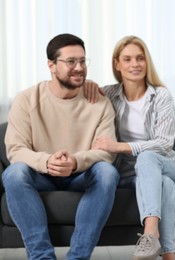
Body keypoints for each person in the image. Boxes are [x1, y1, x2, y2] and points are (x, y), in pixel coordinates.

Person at [2, 33, 120, 259]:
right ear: (51, 65)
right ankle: (42, 256)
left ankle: (78, 257)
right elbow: (15, 149)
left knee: (107, 172)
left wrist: (75, 161)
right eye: (71, 62)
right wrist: (46, 162)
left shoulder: (99, 101)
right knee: (14, 174)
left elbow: (105, 152)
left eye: (83, 61)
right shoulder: (26, 99)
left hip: (80, 175)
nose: (79, 68)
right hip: (41, 175)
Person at [87, 35, 175, 260]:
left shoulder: (161, 95)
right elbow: (78, 96)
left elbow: (164, 144)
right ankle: (168, 255)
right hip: (129, 172)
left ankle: (149, 232)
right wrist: (88, 85)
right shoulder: (109, 95)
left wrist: (120, 146)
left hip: (168, 164)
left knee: (148, 158)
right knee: (163, 185)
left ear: (147, 62)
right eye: (127, 59)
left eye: (140, 58)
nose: (134, 64)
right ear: (117, 64)